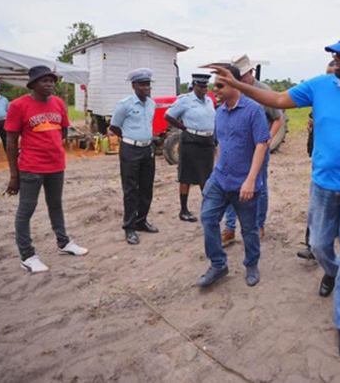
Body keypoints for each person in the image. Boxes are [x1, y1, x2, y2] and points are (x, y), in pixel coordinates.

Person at [209, 29, 340, 362]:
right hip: (324, 186)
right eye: (335, 53)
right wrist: (239, 85)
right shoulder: (321, 86)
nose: (336, 59)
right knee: (318, 246)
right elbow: (277, 100)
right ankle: (333, 270)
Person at [4, 65, 88, 273]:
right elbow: (11, 142)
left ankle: (64, 243)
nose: (50, 84)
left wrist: (52, 148)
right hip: (31, 168)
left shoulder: (59, 103)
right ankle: (27, 256)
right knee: (26, 211)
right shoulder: (18, 105)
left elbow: (64, 131)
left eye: (52, 81)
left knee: (56, 205)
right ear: (32, 84)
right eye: (45, 81)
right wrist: (14, 175)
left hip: (56, 165)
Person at [196, 65, 270, 289]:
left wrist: (250, 180)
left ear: (234, 84)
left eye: (219, 85)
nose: (214, 89)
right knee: (208, 219)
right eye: (213, 85)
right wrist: (217, 169)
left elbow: (262, 144)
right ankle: (218, 265)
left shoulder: (253, 110)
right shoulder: (220, 112)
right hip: (219, 180)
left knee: (249, 228)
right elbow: (220, 143)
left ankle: (251, 265)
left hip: (244, 183)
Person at [222, 55, 283, 245]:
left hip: (258, 150)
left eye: (243, 75)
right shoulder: (233, 91)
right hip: (237, 150)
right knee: (232, 187)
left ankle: (259, 225)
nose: (241, 80)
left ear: (250, 72)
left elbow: (278, 119)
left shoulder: (263, 91)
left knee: (260, 188)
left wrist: (266, 143)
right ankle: (230, 228)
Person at [109, 68, 159, 245]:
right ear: (134, 85)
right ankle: (129, 228)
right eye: (142, 84)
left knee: (147, 188)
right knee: (131, 190)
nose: (146, 87)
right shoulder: (125, 104)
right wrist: (128, 137)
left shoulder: (152, 104)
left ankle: (141, 221)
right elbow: (114, 126)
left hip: (147, 149)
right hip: (130, 149)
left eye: (148, 84)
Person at [298, 59, 337, 261]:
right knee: (317, 207)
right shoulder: (320, 99)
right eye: (327, 74)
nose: (329, 79)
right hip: (321, 163)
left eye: (334, 74)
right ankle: (311, 245)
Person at [165, 73, 217, 223]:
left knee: (206, 175)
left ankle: (207, 208)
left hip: (207, 141)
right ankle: (184, 210)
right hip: (191, 141)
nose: (203, 89)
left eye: (205, 86)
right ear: (194, 85)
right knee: (186, 176)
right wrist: (184, 128)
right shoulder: (185, 101)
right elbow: (168, 116)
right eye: (200, 86)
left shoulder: (208, 101)